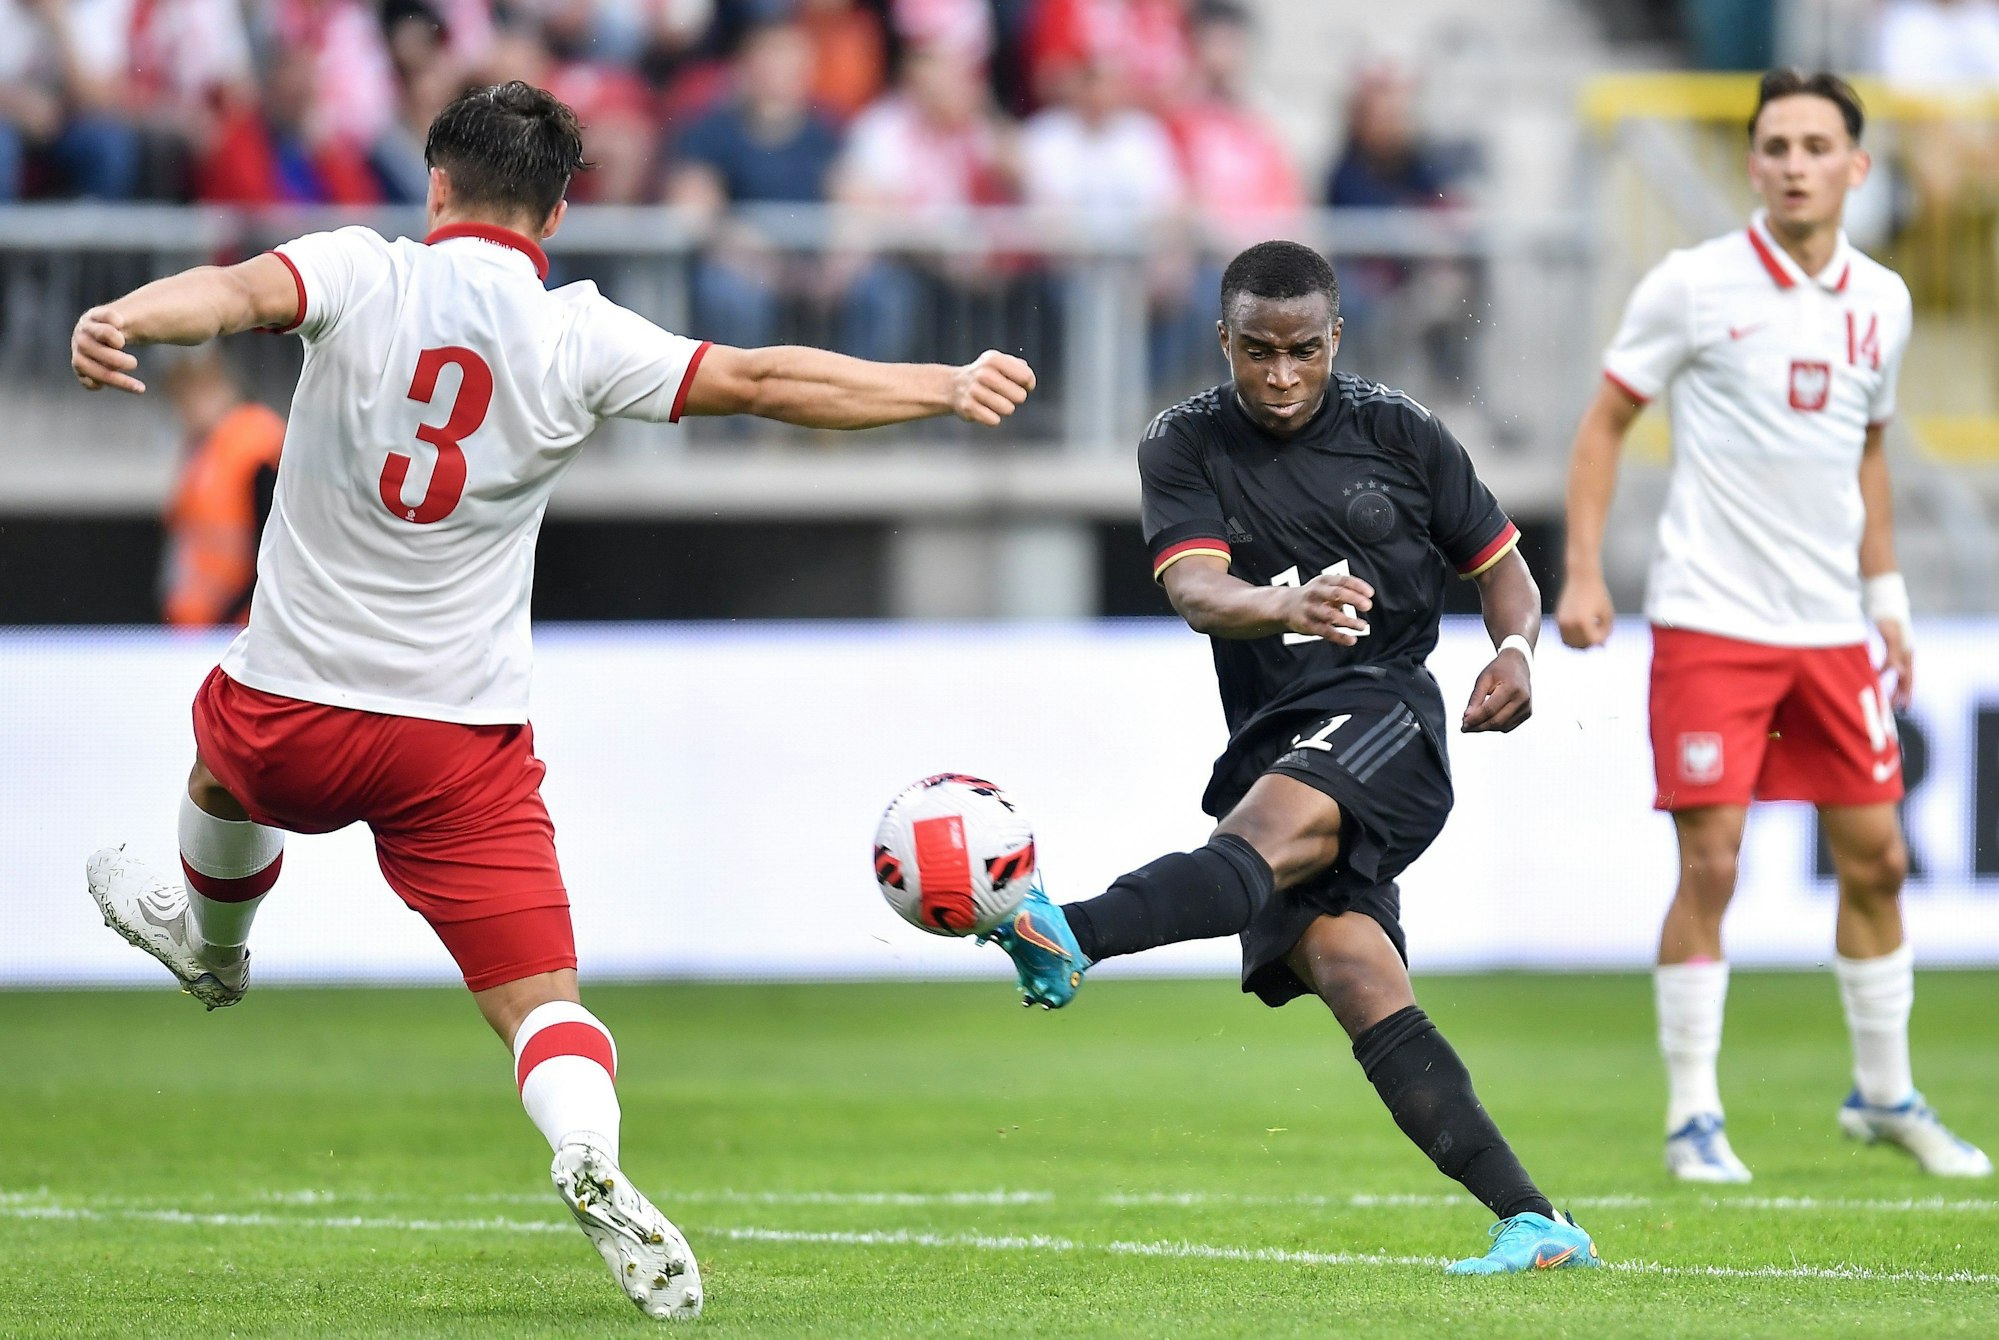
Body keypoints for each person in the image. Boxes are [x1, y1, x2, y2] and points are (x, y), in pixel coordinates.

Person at [69, 80, 1036, 1321]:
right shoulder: (578, 333)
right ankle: (592, 1152)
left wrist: (127, 317)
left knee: (216, 765)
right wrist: (940, 386)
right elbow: (759, 375)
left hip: (292, 708)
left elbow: (235, 293)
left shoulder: (360, 269)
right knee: (543, 1006)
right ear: (561, 210)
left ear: (435, 184)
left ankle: (211, 948)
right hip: (458, 747)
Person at [979, 239, 1603, 1276]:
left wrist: (1514, 648)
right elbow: (1193, 591)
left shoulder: (1400, 431)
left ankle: (1067, 931)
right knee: (1360, 975)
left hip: (1387, 708)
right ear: (1222, 339)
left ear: (1334, 339)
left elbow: (1502, 567)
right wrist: (1283, 601)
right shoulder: (1181, 445)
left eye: (1303, 351)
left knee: (1255, 838)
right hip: (1272, 733)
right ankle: (1534, 1219)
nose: (1279, 375)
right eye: (1257, 350)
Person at [1555, 69, 1990, 1184]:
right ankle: (1693, 1114)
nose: (1793, 162)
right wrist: (1583, 571)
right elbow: (1605, 422)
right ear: (1752, 164)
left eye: (1815, 145)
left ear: (1857, 166)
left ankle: (1884, 1092)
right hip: (1710, 622)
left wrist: (1885, 598)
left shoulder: (1881, 302)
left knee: (1881, 858)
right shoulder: (1692, 285)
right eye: (1775, 145)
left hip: (1831, 629)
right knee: (1713, 860)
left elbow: (1868, 450)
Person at [160, 351, 286, 627]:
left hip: (236, 627)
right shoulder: (203, 447)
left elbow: (272, 546)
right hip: (200, 625)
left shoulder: (256, 442)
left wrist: (227, 615)